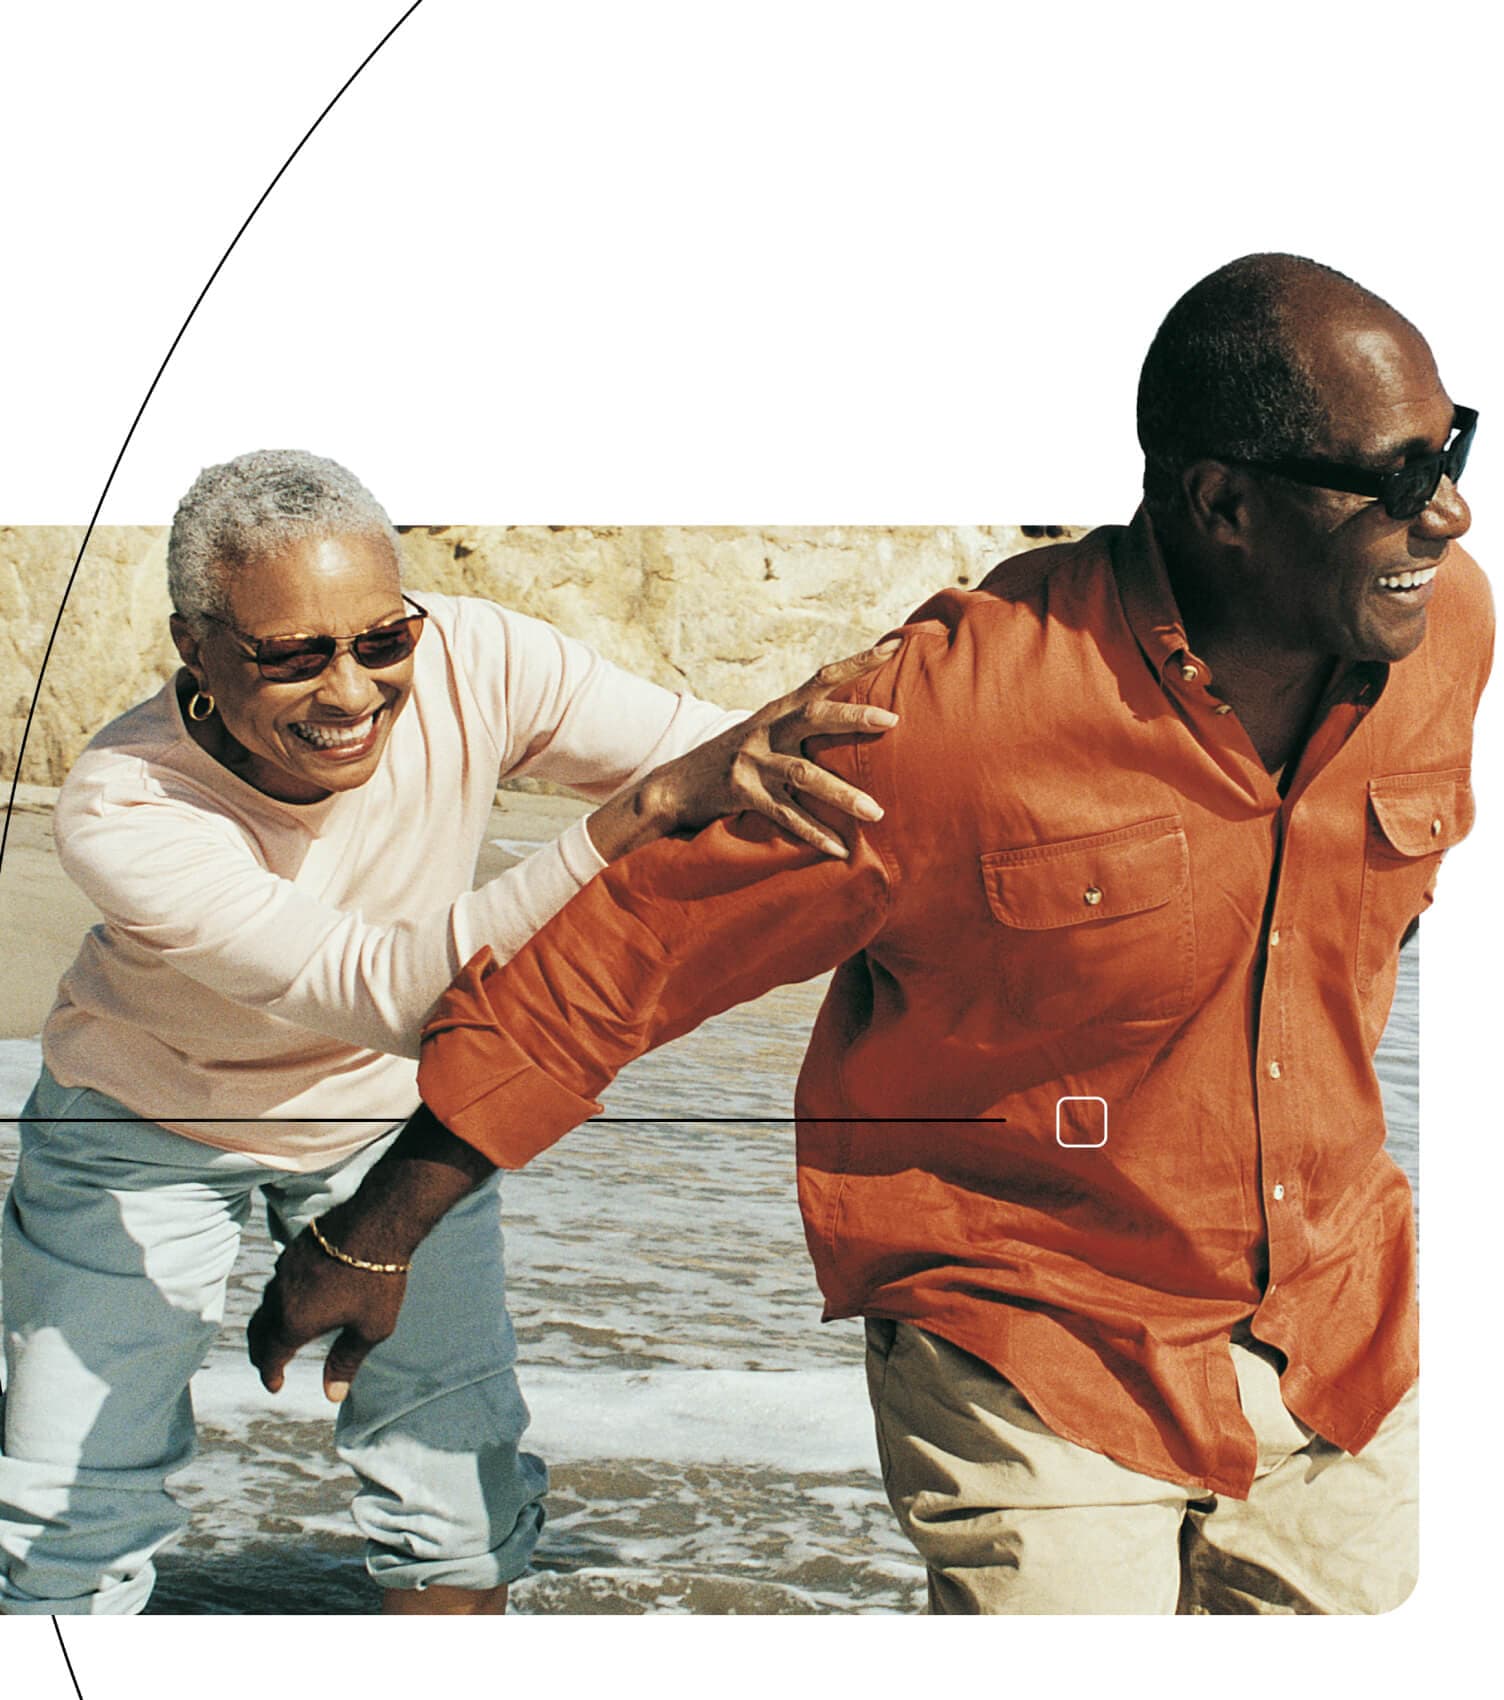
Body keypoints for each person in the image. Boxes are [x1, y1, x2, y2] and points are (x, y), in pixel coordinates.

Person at [250, 255, 1491, 1614]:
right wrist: (375, 1231)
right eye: (1396, 478)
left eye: (1451, 452)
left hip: (1334, 1333)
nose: (1447, 511)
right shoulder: (951, 717)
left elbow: (1367, 921)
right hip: (1036, 1344)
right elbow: (632, 959)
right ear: (1224, 503)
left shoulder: (1443, 634)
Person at [0, 448, 901, 1616]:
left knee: (457, 1516)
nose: (351, 691)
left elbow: (732, 753)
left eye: (381, 639)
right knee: (64, 1520)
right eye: (293, 655)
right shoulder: (126, 801)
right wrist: (636, 815)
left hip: (391, 1112)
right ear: (195, 647)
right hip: (144, 1127)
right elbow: (389, 989)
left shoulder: (475, 655)